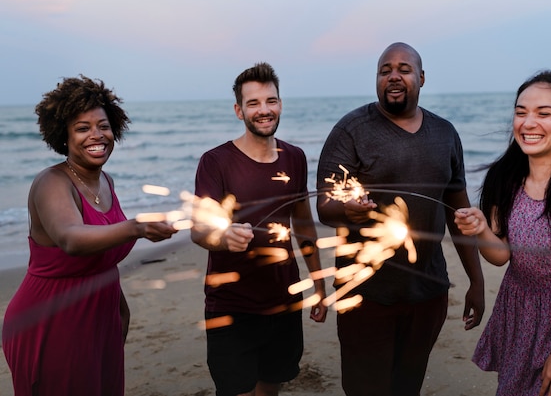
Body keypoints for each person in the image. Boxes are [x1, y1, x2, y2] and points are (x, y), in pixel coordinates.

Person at [316, 42, 485, 395]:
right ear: (376, 80)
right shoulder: (350, 131)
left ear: (421, 78)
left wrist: (477, 281)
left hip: (428, 291)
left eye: (404, 69)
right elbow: (325, 206)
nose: (393, 76)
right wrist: (347, 210)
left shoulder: (445, 134)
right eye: (385, 70)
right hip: (365, 293)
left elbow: (459, 213)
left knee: (407, 386)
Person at [1, 75, 178, 396]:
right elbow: (71, 238)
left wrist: (119, 310)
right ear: (63, 136)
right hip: (50, 322)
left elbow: (99, 260)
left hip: (101, 321)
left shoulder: (105, 180)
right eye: (82, 128)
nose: (96, 136)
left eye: (103, 126)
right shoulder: (52, 182)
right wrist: (136, 227)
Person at [454, 70, 551, 396]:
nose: (529, 123)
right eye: (521, 112)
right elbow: (500, 256)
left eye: (544, 113)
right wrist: (482, 229)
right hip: (520, 314)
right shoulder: (506, 176)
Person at [191, 62, 327, 396]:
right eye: (253, 103)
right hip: (231, 304)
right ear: (239, 110)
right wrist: (222, 237)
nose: (264, 110)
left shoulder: (295, 157)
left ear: (280, 104)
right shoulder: (215, 161)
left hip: (283, 300)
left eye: (271, 101)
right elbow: (198, 229)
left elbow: (305, 225)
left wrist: (319, 284)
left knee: (270, 388)